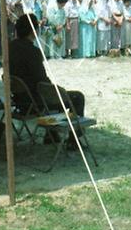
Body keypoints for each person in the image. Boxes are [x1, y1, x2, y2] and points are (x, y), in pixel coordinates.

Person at [9, 14, 86, 147]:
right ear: (34, 31)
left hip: (19, 98)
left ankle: (51, 134)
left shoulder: (10, 47)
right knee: (76, 97)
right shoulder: (33, 51)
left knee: (54, 93)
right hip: (34, 100)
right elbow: (42, 80)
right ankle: (73, 140)